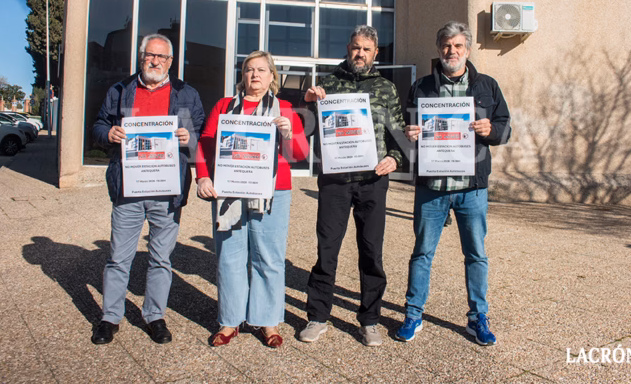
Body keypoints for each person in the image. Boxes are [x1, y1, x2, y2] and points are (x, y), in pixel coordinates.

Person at [395, 21, 511, 346]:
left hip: (471, 188)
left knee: (476, 254)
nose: (452, 51)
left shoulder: (487, 86)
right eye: (446, 45)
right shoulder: (421, 88)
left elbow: (504, 126)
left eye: (458, 46)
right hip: (432, 189)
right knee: (421, 253)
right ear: (439, 49)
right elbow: (407, 129)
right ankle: (413, 314)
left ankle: (478, 319)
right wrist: (409, 134)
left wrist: (493, 131)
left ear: (468, 50)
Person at [91, 34, 205, 345]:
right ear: (141, 58)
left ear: (170, 62)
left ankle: (155, 315)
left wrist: (189, 138)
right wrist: (109, 133)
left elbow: (203, 137)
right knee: (118, 257)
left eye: (162, 57)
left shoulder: (187, 94)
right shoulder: (120, 90)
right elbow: (98, 125)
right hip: (128, 188)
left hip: (167, 191)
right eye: (149, 56)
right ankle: (109, 317)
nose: (155, 62)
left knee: (161, 259)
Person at [299, 25, 404, 347]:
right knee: (326, 249)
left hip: (372, 181)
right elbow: (306, 130)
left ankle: (370, 319)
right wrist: (306, 102)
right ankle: (317, 317)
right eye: (356, 48)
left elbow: (397, 134)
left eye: (367, 49)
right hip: (335, 182)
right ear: (348, 48)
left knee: (371, 252)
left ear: (375, 54)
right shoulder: (327, 84)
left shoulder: (386, 88)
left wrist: (396, 159)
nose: (360, 54)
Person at [196, 50, 308, 348]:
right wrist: (202, 177)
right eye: (249, 69)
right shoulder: (224, 106)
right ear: (242, 76)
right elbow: (205, 144)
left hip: (272, 193)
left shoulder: (283, 109)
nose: (254, 75)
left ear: (272, 77)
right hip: (229, 192)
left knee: (268, 257)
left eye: (261, 70)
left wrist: (289, 134)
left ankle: (267, 319)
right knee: (230, 256)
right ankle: (230, 320)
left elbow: (300, 154)